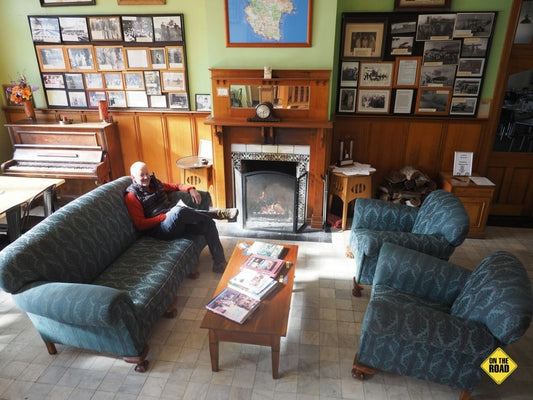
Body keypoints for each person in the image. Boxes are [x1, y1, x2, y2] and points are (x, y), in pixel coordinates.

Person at [124, 161, 238, 274]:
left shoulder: (155, 184)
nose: (146, 177)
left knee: (208, 223)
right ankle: (215, 214)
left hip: (176, 221)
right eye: (142, 175)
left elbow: (176, 186)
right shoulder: (132, 196)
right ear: (133, 177)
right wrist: (163, 217)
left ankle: (219, 262)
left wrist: (191, 189)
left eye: (147, 173)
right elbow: (140, 224)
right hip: (160, 229)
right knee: (178, 211)